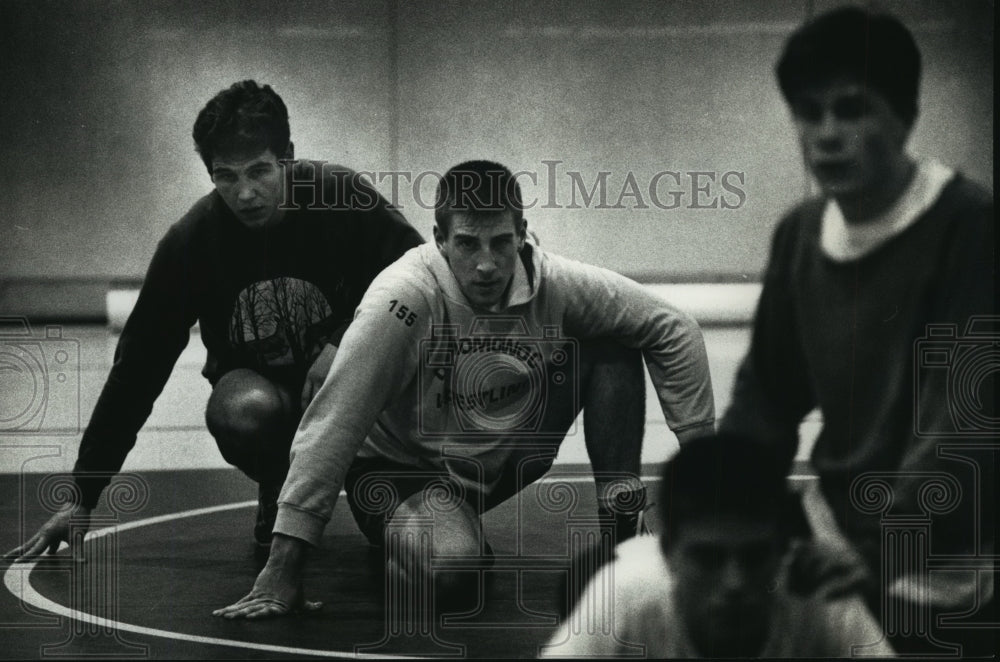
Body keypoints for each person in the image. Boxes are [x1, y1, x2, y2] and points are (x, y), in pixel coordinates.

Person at [213, 160, 716, 619]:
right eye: (468, 244)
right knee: (456, 573)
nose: (486, 265)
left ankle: (619, 534)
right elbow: (334, 421)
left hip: (495, 456)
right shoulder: (403, 297)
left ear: (522, 234)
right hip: (401, 473)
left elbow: (674, 328)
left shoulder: (555, 281)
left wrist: (706, 475)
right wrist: (284, 564)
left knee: (614, 342)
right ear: (439, 238)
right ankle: (417, 546)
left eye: (501, 242)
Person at [5, 80, 424, 563]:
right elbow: (137, 367)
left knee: (410, 546)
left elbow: (416, 277)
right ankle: (278, 486)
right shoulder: (192, 242)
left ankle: (382, 479)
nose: (244, 193)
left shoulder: (341, 196)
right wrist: (84, 495)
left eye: (259, 171)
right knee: (241, 409)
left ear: (287, 156)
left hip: (363, 394)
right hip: (276, 400)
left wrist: (343, 340)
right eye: (225, 176)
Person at [719, 6, 994, 655]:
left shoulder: (970, 226)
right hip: (839, 526)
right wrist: (723, 506)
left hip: (946, 546)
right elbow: (765, 399)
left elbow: (962, 425)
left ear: (903, 116)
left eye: (851, 109)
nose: (827, 134)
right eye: (809, 114)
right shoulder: (800, 232)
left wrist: (883, 551)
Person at [541, 433, 893, 658]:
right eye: (708, 559)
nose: (734, 583)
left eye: (755, 557)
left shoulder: (819, 591)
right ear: (667, 553)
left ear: (785, 550)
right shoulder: (624, 593)